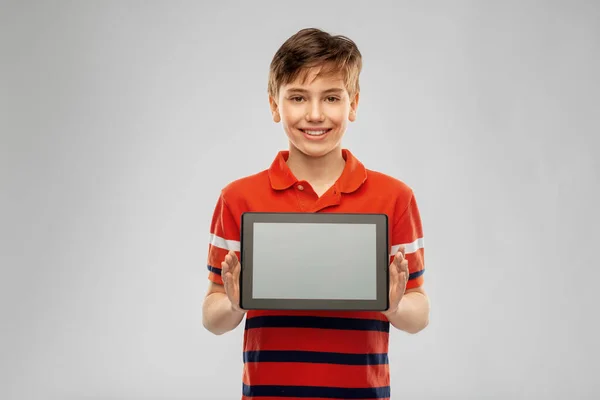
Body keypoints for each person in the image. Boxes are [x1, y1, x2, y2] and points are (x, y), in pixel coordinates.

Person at [201, 27, 430, 400]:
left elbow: (419, 313)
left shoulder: (395, 198)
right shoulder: (238, 198)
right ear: (275, 105)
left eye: (331, 97)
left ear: (353, 104)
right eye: (297, 97)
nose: (315, 114)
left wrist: (395, 305)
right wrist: (233, 302)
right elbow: (212, 316)